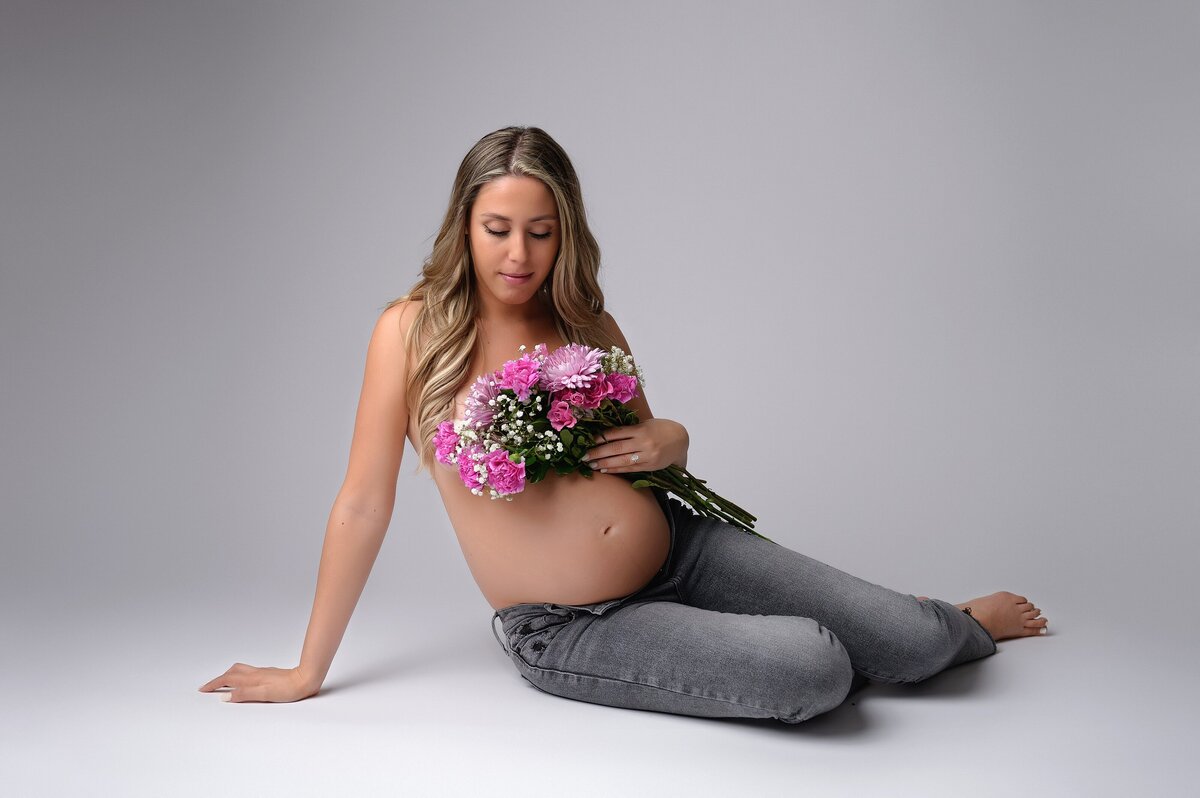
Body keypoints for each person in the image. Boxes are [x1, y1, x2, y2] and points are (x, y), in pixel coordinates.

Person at [199, 126, 1048, 722]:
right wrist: (310, 669)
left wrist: (673, 436)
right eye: (497, 230)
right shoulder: (409, 332)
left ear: (566, 232)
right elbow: (361, 503)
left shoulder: (586, 321)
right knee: (815, 668)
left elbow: (651, 450)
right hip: (573, 623)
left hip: (684, 547)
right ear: (464, 224)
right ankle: (847, 642)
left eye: (540, 232)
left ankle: (931, 625)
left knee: (917, 636)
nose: (519, 256)